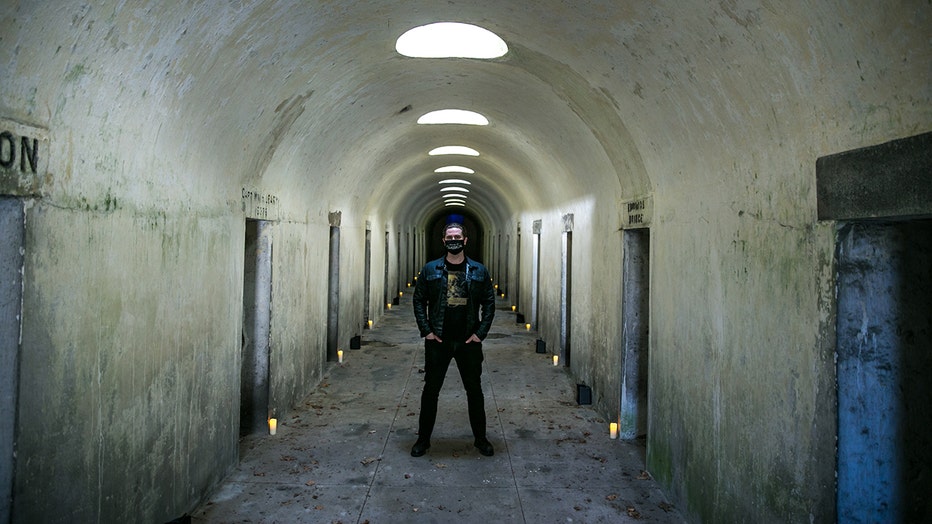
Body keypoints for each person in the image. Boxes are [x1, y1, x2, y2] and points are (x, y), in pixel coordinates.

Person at [410, 222, 496, 457]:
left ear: (465, 240)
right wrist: (426, 330)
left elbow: (489, 302)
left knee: (474, 391)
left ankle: (481, 439)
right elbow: (419, 300)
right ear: (444, 241)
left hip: (468, 341)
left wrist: (480, 333)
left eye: (458, 236)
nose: (454, 240)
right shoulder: (430, 269)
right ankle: (423, 440)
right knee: (431, 391)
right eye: (450, 236)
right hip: (438, 340)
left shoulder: (479, 270)